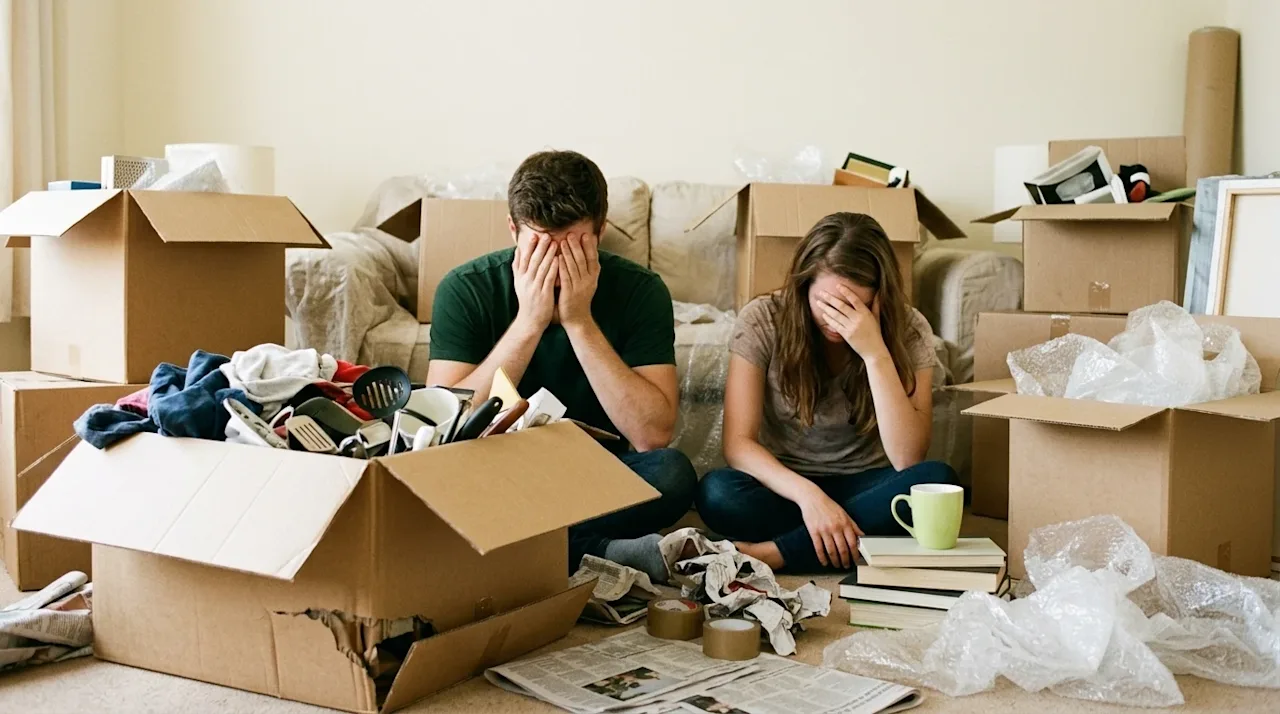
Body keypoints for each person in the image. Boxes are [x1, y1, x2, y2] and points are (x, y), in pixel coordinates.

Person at [427, 150, 695, 582]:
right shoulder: (465, 288)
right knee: (434, 491)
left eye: (571, 246)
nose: (553, 264)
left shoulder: (641, 291)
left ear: (600, 231)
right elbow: (443, 429)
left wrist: (578, 320)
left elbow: (652, 433)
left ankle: (516, 550)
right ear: (513, 229)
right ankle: (596, 551)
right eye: (538, 245)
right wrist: (529, 323)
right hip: (496, 476)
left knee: (671, 472)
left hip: (591, 477)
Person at [696, 212, 956, 573]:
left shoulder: (908, 328)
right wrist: (811, 499)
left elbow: (908, 458)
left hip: (867, 484)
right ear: (803, 285)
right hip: (788, 488)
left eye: (856, 307)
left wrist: (874, 352)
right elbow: (738, 444)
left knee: (936, 481)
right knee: (717, 493)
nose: (838, 320)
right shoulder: (763, 318)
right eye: (827, 304)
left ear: (880, 297)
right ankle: (846, 540)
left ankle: (778, 554)